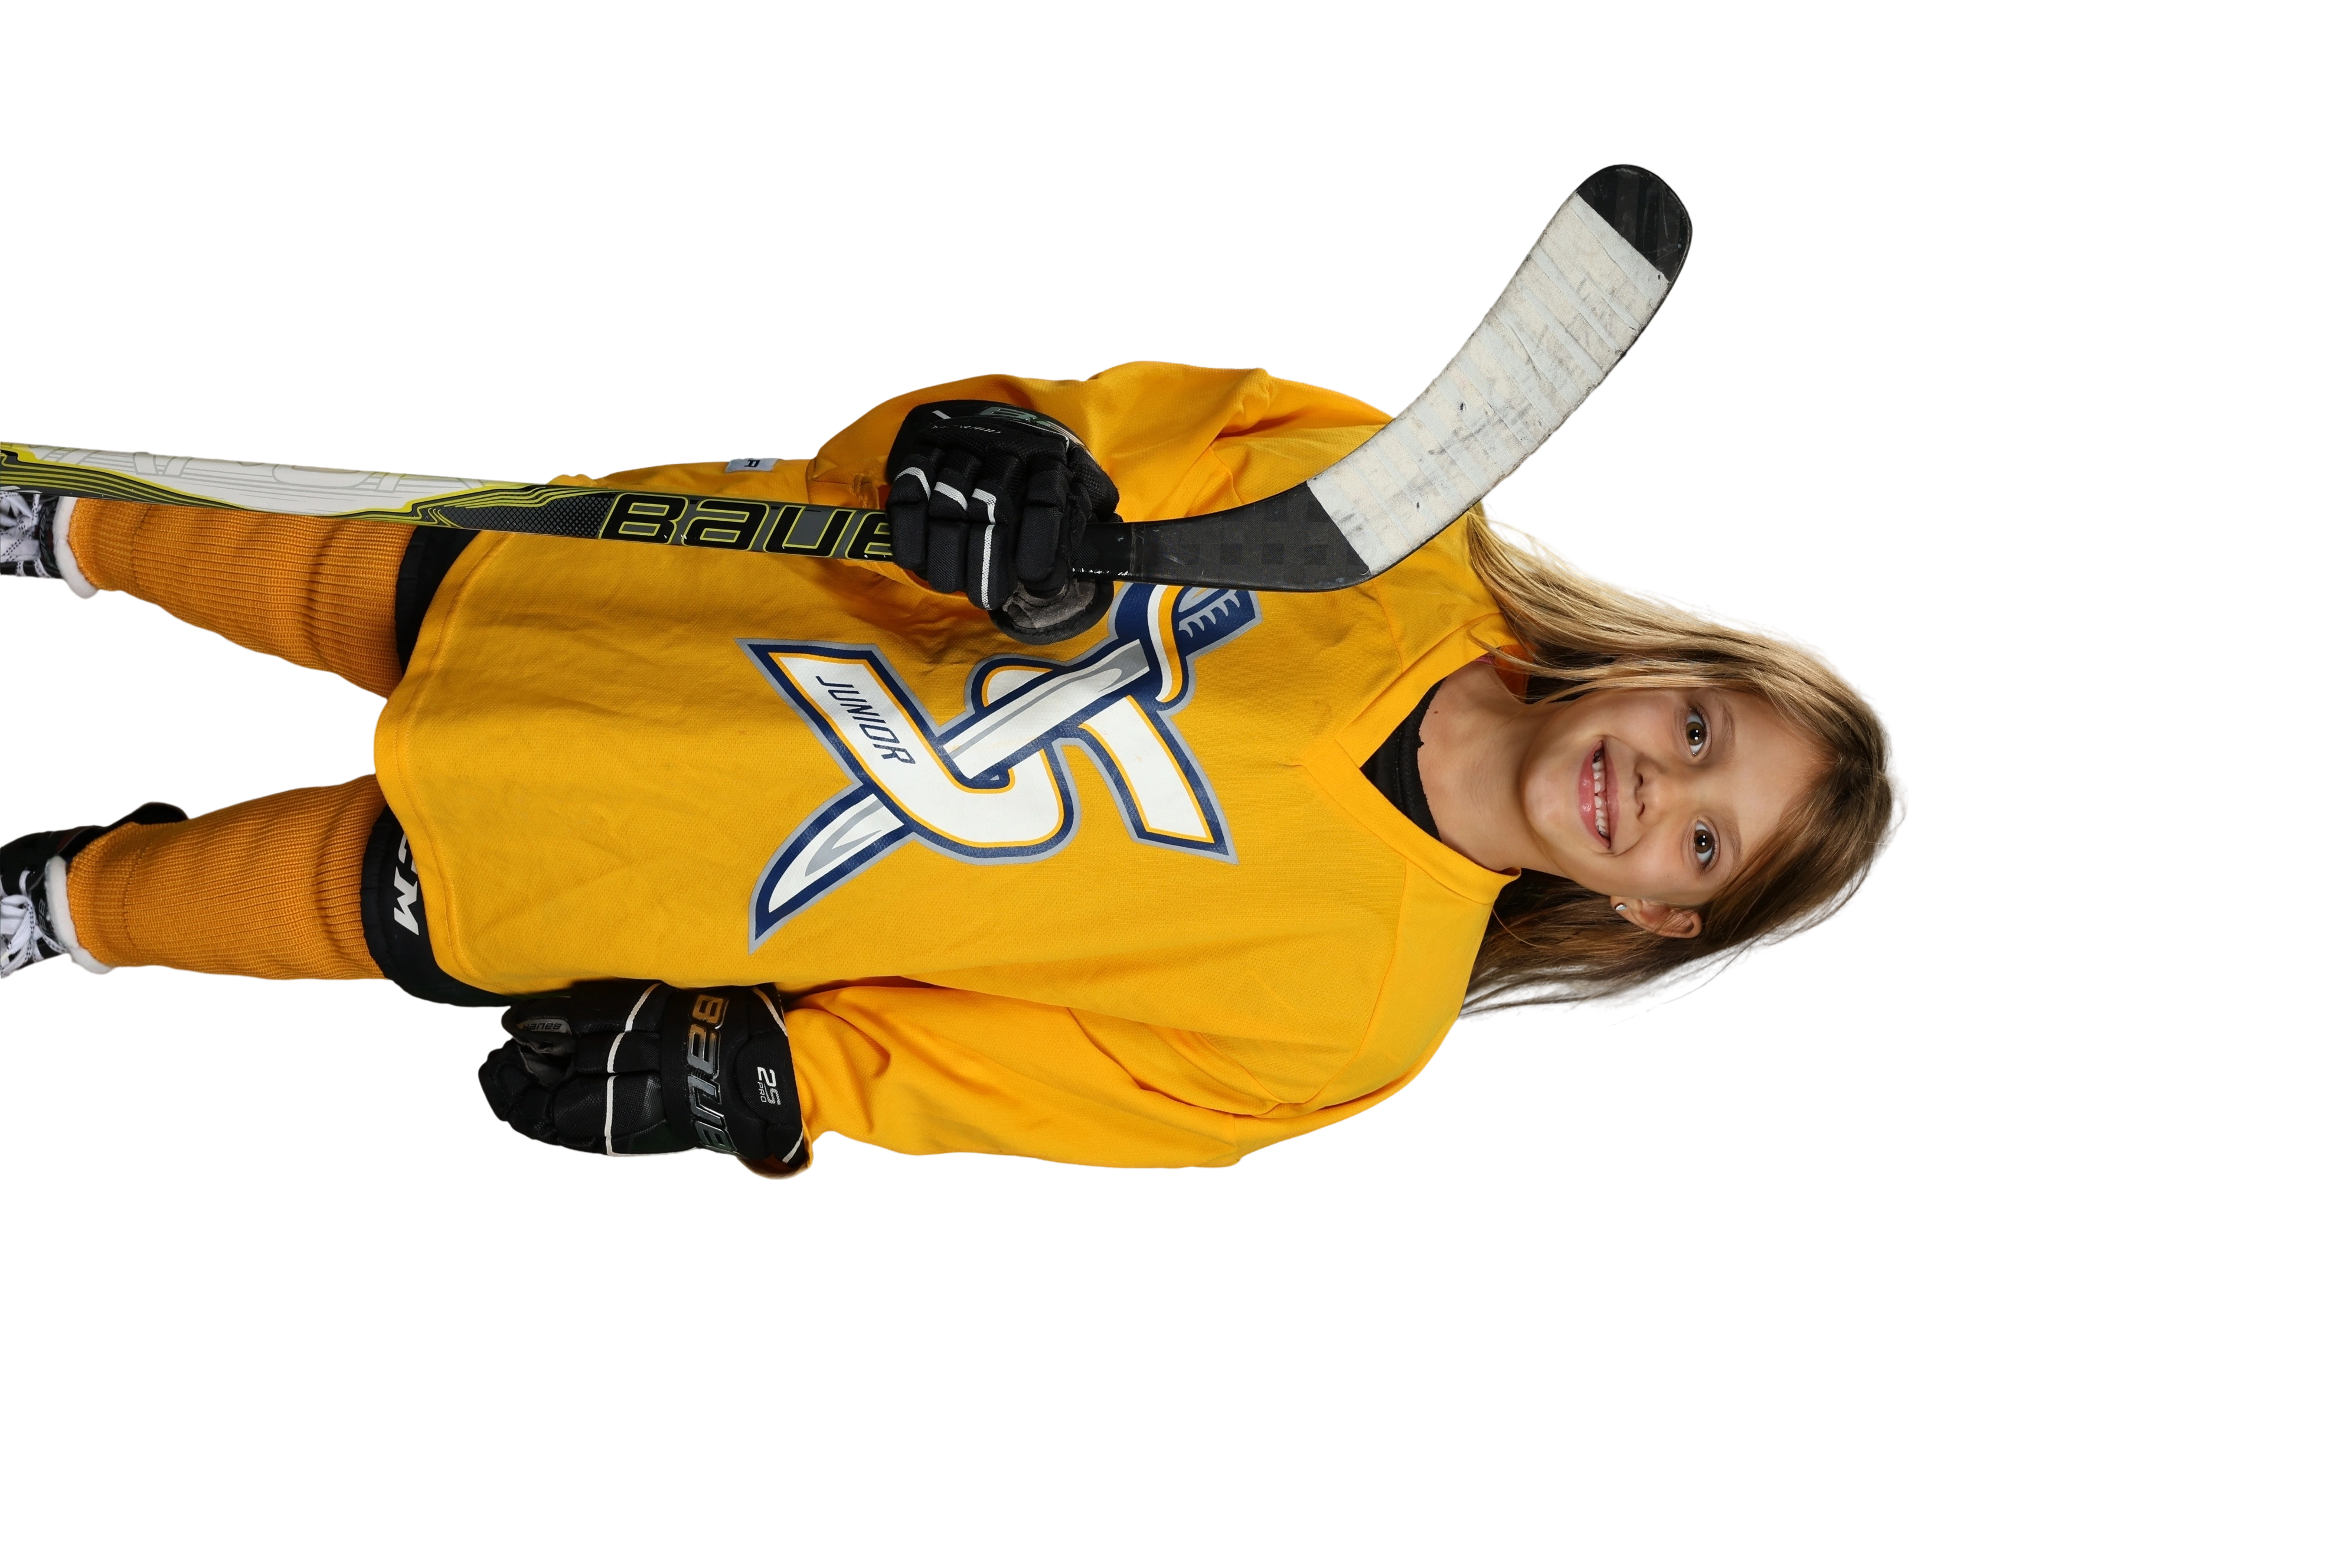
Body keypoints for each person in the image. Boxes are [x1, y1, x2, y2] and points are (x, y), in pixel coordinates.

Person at [0, 362, 1910, 1175]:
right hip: (615, 601)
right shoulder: (1385, 514)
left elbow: (1007, 1075)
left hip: (606, 877)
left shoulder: (1357, 1024)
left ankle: (49, 909)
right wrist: (993, 463)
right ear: (1669, 665)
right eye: (1702, 732)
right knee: (212, 545)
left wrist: (759, 1079)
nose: (1662, 786)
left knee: (209, 909)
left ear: (1661, 914)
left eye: (1708, 841)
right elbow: (1001, 434)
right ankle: (52, 529)